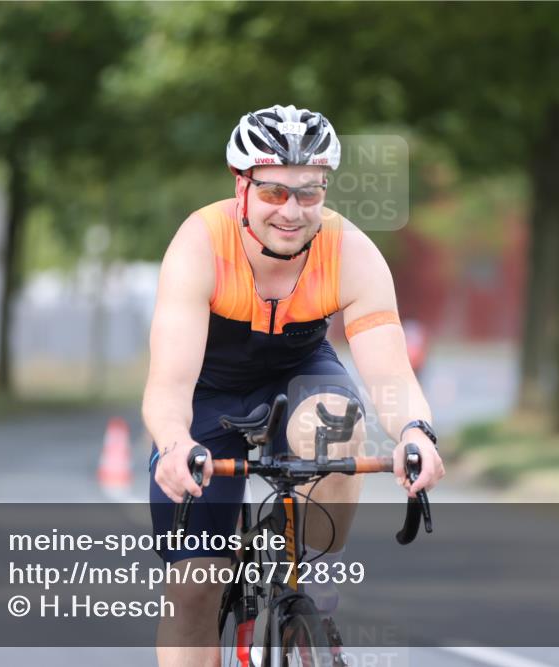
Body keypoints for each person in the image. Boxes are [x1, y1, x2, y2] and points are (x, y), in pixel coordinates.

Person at [142, 104, 444, 667]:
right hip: (208, 390)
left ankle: (304, 577)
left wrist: (415, 431)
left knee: (335, 422)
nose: (292, 211)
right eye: (275, 193)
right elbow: (168, 381)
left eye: (309, 193)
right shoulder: (199, 244)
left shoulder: (350, 251)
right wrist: (174, 441)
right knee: (193, 589)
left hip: (300, 371)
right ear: (242, 186)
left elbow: (388, 368)